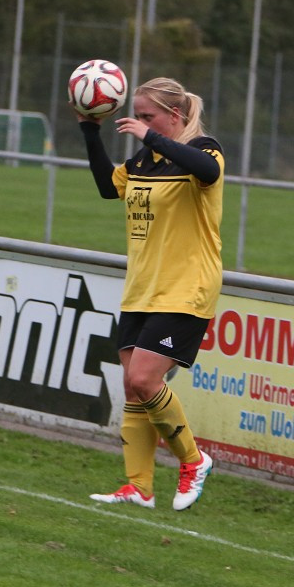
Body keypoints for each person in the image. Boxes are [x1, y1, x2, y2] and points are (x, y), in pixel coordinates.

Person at [77, 77, 223, 511]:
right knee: (132, 386)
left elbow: (209, 172)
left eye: (147, 116)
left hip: (186, 286)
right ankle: (138, 487)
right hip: (142, 286)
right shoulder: (146, 159)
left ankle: (194, 461)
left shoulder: (204, 149)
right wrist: (89, 129)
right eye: (136, 115)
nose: (137, 122)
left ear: (174, 117)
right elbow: (109, 186)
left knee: (145, 379)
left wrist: (151, 136)